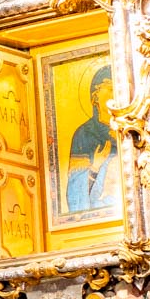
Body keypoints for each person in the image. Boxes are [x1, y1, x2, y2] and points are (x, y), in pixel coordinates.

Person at [65, 64, 118, 212]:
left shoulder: (128, 127)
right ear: (96, 95)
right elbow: (76, 197)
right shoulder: (84, 134)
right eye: (110, 89)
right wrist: (95, 166)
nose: (115, 95)